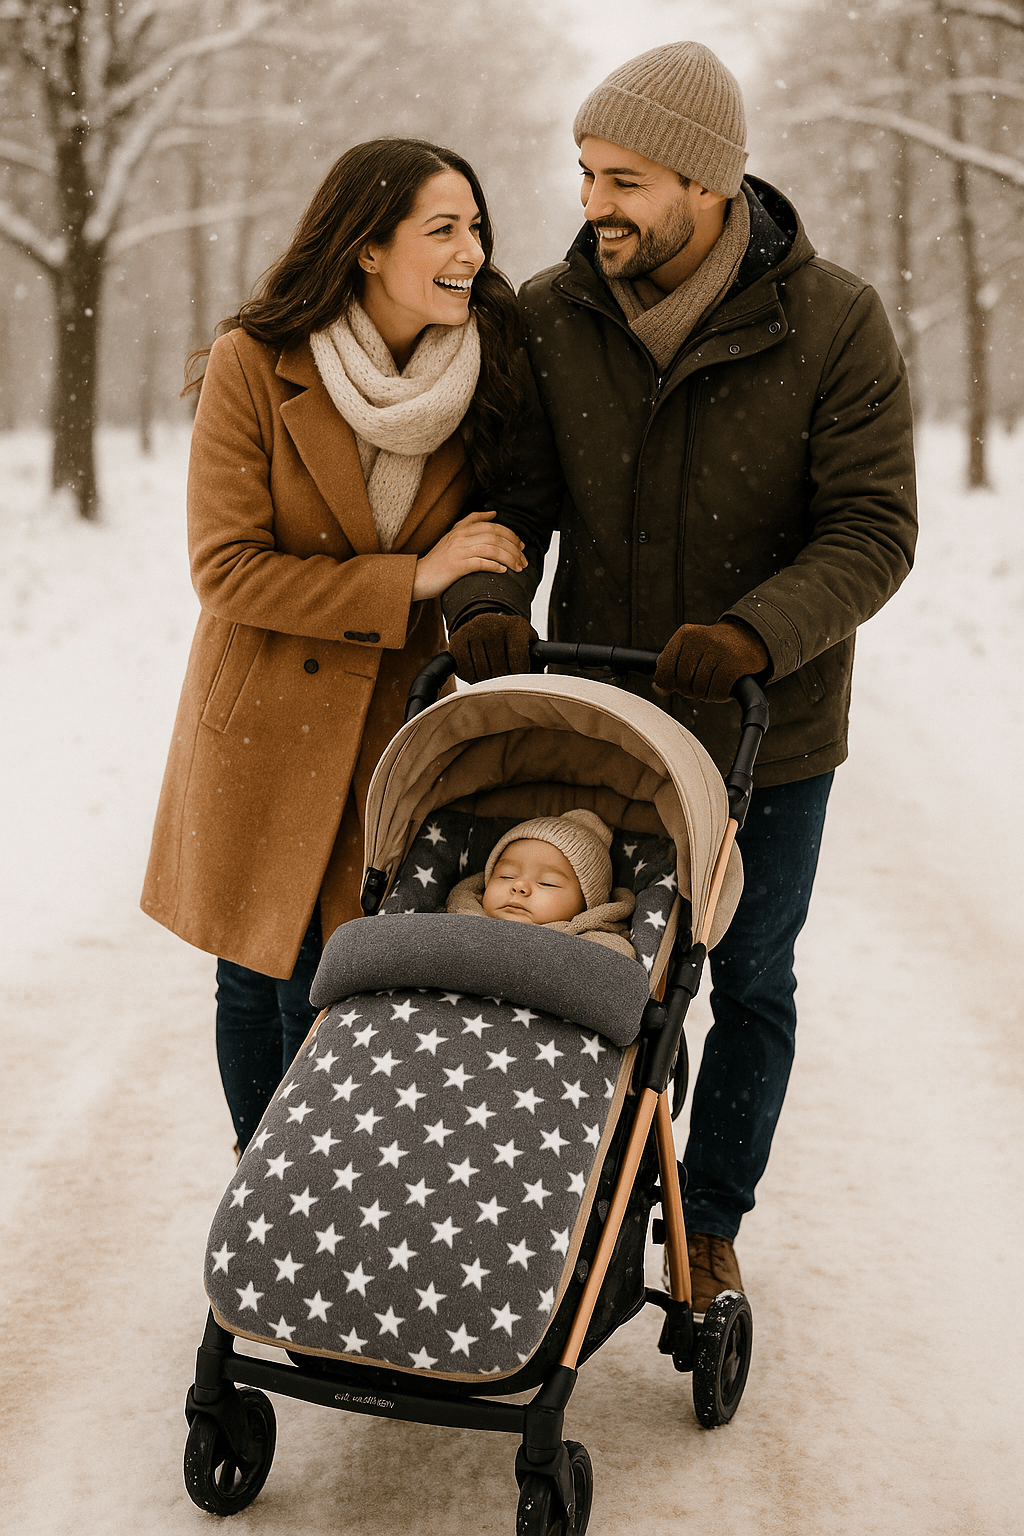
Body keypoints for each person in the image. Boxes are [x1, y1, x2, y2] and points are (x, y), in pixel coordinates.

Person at [442, 42, 918, 1316]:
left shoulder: (834, 322)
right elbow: (513, 502)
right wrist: (491, 599)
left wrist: (759, 630)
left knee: (750, 978)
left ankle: (706, 1223)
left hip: (773, 722)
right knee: (598, 974)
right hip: (604, 718)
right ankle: (581, 1205)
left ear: (711, 182)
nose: (597, 201)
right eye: (588, 172)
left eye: (629, 179)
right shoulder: (550, 315)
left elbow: (872, 530)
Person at [141, 138, 529, 1153]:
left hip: (392, 735)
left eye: (476, 229)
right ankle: (259, 1213)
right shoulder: (256, 363)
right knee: (255, 974)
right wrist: (414, 580)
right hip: (265, 723)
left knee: (349, 988)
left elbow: (504, 533)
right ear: (365, 248)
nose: (470, 253)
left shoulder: (488, 374)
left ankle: (327, 1211)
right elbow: (226, 569)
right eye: (442, 229)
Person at [445, 808, 636, 955]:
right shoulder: (454, 918)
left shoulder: (600, 946)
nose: (519, 886)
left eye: (547, 883)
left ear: (587, 906)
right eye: (506, 876)